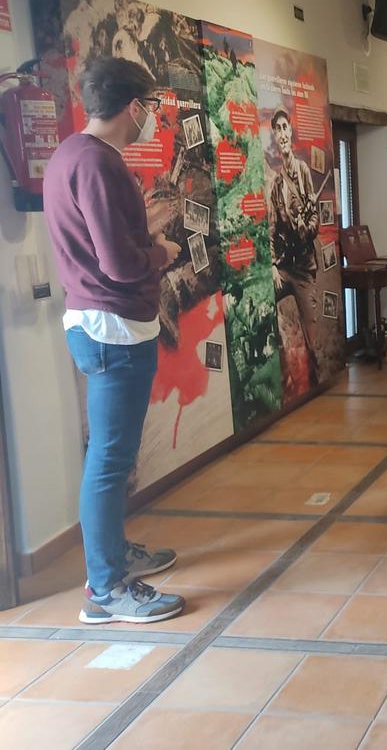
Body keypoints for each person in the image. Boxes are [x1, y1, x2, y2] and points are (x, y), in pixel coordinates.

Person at [43, 57, 185, 625]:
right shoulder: (99, 165)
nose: (152, 118)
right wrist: (163, 252)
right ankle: (104, 589)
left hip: (101, 321)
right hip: (113, 327)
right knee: (109, 460)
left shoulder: (73, 155)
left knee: (112, 454)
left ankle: (113, 556)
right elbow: (121, 265)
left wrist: (140, 227)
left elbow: (96, 243)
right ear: (134, 107)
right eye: (150, 108)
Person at [268, 107, 321, 375]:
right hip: (284, 266)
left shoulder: (302, 171)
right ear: (275, 136)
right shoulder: (277, 185)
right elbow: (272, 228)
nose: (282, 133)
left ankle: (316, 376)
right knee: (265, 306)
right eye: (277, 129)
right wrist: (273, 266)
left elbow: (316, 221)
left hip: (303, 267)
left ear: (291, 131)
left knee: (312, 332)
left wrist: (304, 230)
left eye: (284, 127)